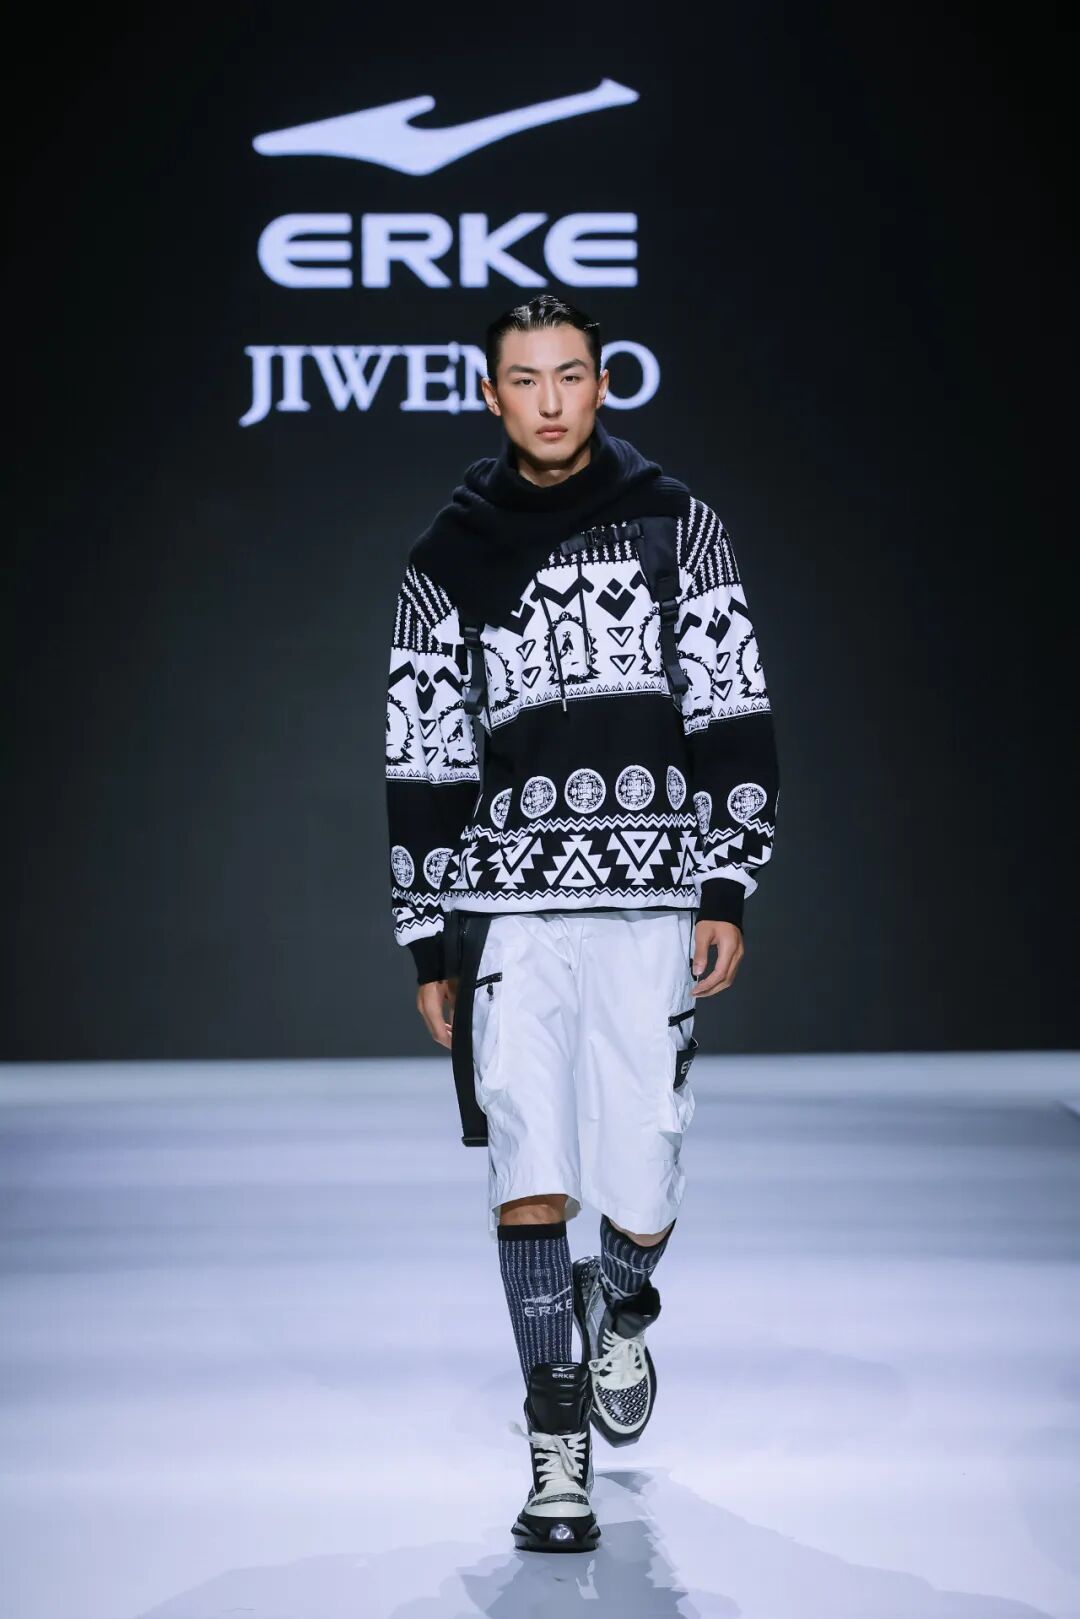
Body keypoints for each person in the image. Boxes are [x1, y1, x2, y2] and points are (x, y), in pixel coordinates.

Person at [384, 293, 780, 1553]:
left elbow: (732, 705)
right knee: (528, 1170)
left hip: (651, 896)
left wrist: (726, 882)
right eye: (525, 378)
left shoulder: (679, 524)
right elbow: (423, 752)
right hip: (509, 915)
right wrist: (428, 936)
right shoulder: (447, 558)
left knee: (645, 1172)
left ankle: (625, 1305)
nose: (549, 400)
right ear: (490, 395)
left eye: (570, 375)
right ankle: (557, 1453)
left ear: (604, 385)